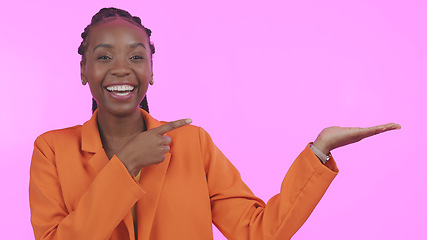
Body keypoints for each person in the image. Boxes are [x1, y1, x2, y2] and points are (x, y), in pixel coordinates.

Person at [29, 7, 401, 240]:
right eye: (104, 56)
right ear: (84, 71)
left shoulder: (192, 144)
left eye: (136, 56)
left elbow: (258, 232)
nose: (122, 68)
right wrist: (126, 166)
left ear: (152, 72)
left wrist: (319, 151)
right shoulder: (51, 150)